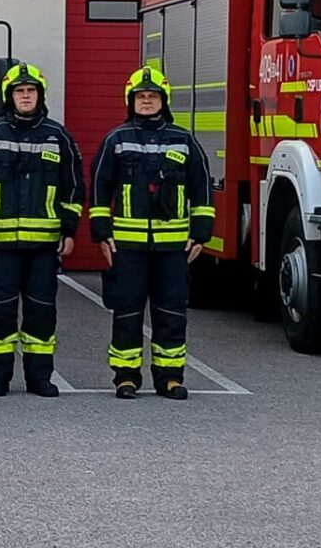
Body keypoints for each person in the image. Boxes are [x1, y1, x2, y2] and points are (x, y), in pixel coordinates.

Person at [89, 65, 213, 400]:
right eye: (141, 97)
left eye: (152, 96)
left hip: (173, 247)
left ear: (164, 100)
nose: (146, 102)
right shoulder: (116, 140)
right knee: (127, 312)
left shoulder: (184, 141)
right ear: (131, 101)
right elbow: (100, 187)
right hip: (127, 246)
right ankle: (126, 377)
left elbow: (202, 189)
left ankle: (170, 378)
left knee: (171, 313)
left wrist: (201, 232)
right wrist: (102, 232)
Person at [0, 62, 83, 397]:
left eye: (30, 91)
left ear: (39, 95)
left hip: (44, 246)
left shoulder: (58, 137)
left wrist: (69, 231)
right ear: (9, 97)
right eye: (19, 91)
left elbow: (73, 188)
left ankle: (39, 378)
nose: (25, 96)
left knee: (41, 314)